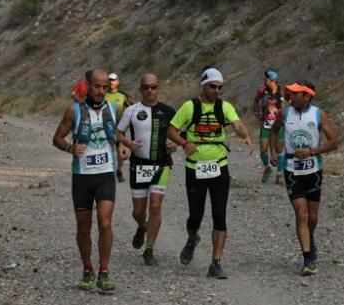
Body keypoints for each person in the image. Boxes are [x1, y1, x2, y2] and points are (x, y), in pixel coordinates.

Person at [167, 67, 252, 279]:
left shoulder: (224, 107)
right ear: (204, 85)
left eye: (219, 87)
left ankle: (215, 263)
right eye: (212, 86)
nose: (216, 90)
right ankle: (192, 238)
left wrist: (244, 133)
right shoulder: (190, 107)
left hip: (219, 166)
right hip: (195, 168)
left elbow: (237, 124)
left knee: (219, 215)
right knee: (195, 216)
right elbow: (171, 130)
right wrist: (184, 143)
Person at [52, 69, 120, 293]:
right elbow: (57, 138)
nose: (101, 91)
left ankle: (104, 272)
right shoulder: (74, 110)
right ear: (88, 86)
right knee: (84, 227)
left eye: (104, 87)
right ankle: (88, 269)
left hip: (105, 174)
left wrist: (124, 148)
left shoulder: (112, 108)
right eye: (97, 86)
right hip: (82, 176)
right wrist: (71, 147)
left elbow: (114, 135)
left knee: (105, 222)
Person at [273, 80, 339, 276]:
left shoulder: (318, 114)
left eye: (295, 93)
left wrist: (313, 151)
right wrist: (275, 151)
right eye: (290, 93)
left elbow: (334, 142)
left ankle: (310, 237)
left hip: (314, 169)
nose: (290, 96)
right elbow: (274, 131)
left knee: (312, 217)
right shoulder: (284, 114)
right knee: (301, 214)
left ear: (307, 96)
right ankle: (308, 258)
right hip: (292, 169)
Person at [116, 74, 177, 266]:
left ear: (158, 88)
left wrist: (174, 143)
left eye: (153, 87)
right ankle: (142, 226)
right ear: (140, 89)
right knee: (138, 211)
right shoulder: (132, 111)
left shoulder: (168, 111)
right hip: (139, 165)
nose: (149, 91)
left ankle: (149, 249)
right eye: (145, 87)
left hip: (161, 164)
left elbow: (177, 134)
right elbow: (118, 132)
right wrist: (127, 142)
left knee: (156, 206)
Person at [251, 69, 286, 183]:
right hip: (266, 123)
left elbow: (285, 109)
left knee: (279, 149)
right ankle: (267, 168)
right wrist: (258, 115)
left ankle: (280, 174)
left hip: (279, 124)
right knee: (263, 149)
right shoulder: (262, 91)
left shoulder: (282, 92)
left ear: (272, 81)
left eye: (266, 79)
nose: (264, 81)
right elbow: (255, 102)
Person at [105, 72, 130, 182]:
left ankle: (119, 170)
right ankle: (107, 172)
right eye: (109, 80)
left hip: (119, 128)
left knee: (120, 152)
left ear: (118, 82)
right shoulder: (103, 95)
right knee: (106, 150)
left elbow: (131, 109)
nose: (111, 82)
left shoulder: (122, 96)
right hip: (105, 128)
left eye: (113, 80)